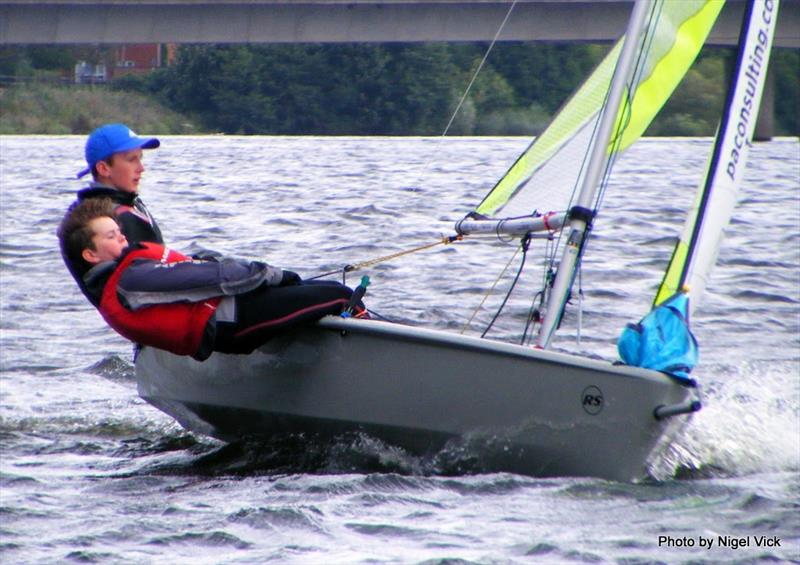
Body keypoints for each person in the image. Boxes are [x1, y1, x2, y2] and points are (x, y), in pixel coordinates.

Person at [58, 198, 363, 361]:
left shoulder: (127, 273)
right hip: (234, 322)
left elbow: (195, 265)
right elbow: (213, 278)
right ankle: (393, 347)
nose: (123, 237)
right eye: (112, 236)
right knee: (337, 294)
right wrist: (275, 275)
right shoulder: (130, 280)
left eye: (120, 231)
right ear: (91, 255)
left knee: (316, 292)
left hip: (236, 309)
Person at [61, 123, 164, 305]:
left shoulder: (113, 205)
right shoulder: (113, 219)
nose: (141, 168)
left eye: (140, 158)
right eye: (132, 159)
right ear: (103, 169)